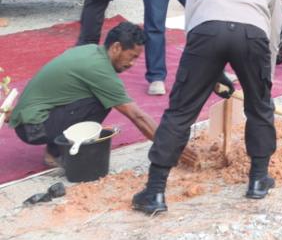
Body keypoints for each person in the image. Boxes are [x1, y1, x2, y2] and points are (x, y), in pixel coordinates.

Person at [131, 0, 282, 213]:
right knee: (259, 110)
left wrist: (207, 71)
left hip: (206, 33)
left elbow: (192, 18)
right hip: (252, 36)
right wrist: (264, 87)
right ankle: (258, 181)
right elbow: (273, 36)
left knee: (180, 112)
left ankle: (155, 192)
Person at [8, 22, 191, 171]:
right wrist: (171, 149)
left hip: (31, 120)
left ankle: (54, 150)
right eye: (132, 57)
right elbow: (137, 116)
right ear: (116, 47)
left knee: (102, 98)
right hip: (33, 128)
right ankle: (58, 151)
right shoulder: (99, 70)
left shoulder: (92, 51)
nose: (132, 64)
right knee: (102, 102)